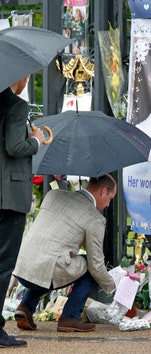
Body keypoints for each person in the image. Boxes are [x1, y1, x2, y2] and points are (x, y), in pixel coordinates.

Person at [12, 174, 117, 333]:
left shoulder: (54, 195)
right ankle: (70, 317)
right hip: (48, 270)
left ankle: (25, 307)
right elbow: (96, 264)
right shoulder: (95, 218)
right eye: (110, 198)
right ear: (103, 191)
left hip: (22, 265)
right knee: (90, 266)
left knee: (47, 262)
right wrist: (113, 286)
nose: (109, 204)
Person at [0, 76, 46, 348]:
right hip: (9, 198)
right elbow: (15, 147)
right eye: (26, 77)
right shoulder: (15, 105)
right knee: (4, 266)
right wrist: (37, 141)